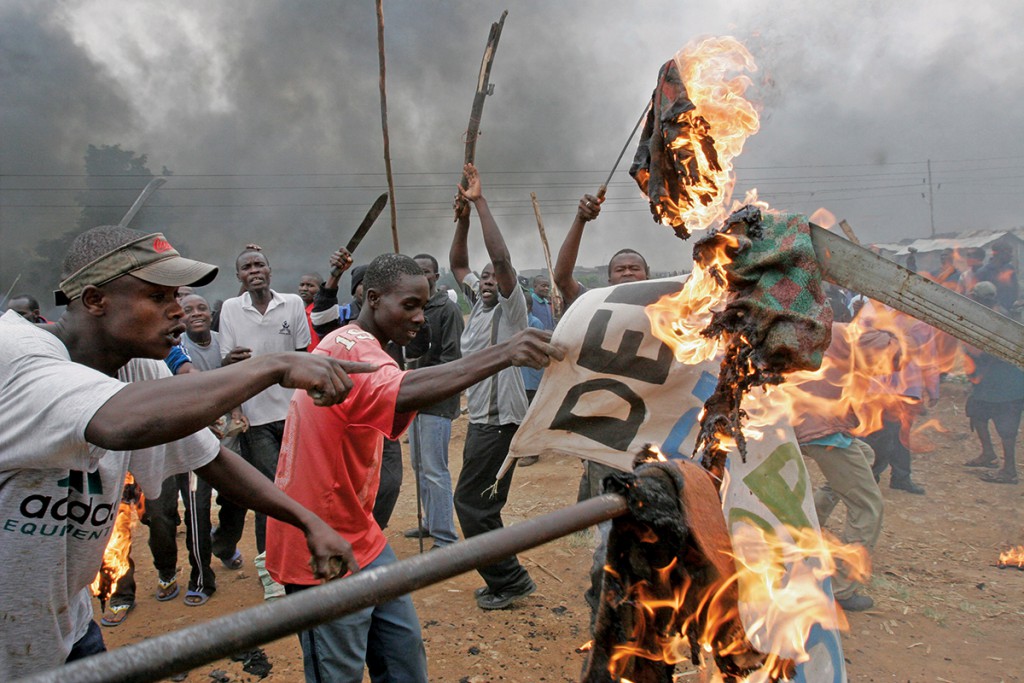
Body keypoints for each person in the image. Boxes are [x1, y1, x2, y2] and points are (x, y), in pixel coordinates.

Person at [0, 225, 368, 679]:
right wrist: (275, 364)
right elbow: (116, 421)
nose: (177, 310)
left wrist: (306, 520)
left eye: (176, 295)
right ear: (95, 300)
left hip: (66, 630)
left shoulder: (138, 367)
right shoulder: (16, 356)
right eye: (158, 298)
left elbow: (211, 458)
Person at [266, 252, 561, 683]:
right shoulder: (352, 351)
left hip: (361, 534)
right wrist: (503, 354)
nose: (420, 317)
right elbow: (403, 391)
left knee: (404, 659)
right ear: (372, 298)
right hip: (318, 544)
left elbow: (402, 390)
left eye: (424, 306)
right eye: (409, 305)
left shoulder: (372, 349)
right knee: (339, 673)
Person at [448, 163, 540, 610]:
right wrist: (461, 220)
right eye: (482, 279)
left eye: (493, 279)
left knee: (472, 505)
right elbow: (458, 263)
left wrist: (480, 203)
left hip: (501, 424)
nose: (486, 282)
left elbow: (499, 261)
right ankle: (506, 577)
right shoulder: (479, 307)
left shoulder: (510, 309)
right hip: (482, 423)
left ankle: (510, 579)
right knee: (481, 503)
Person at [215, 246, 312, 600]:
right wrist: (236, 409)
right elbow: (231, 365)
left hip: (292, 413)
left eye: (259, 264)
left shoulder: (292, 305)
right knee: (269, 493)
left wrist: (307, 407)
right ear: (239, 276)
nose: (254, 270)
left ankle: (300, 557)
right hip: (255, 419)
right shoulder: (229, 309)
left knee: (300, 486)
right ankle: (270, 569)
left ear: (270, 270)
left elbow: (302, 358)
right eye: (246, 267)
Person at [792, 323, 900, 612]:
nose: (881, 372)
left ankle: (808, 532)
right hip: (823, 432)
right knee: (868, 507)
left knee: (864, 454)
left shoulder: (836, 333)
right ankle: (842, 587)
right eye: (885, 364)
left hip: (812, 426)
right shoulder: (868, 343)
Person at [310, 252, 405, 529]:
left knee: (390, 481)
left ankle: (374, 528)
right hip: (347, 414)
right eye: (364, 283)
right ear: (358, 290)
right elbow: (319, 317)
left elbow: (418, 348)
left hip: (382, 405)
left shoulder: (393, 318)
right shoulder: (341, 317)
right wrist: (335, 275)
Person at [402, 253, 465, 548]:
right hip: (414, 399)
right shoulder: (411, 310)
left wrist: (418, 375)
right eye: (415, 271)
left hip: (437, 400)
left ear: (436, 278)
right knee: (418, 466)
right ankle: (430, 522)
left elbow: (453, 359)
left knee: (435, 469)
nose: (421, 276)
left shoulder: (446, 310)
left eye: (426, 272)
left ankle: (445, 537)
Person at [963, 281, 1024, 484]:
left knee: (1006, 427)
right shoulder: (988, 315)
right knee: (976, 412)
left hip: (1006, 384)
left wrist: (972, 353)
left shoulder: (999, 318)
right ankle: (988, 454)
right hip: (990, 383)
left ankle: (1009, 471)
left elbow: (988, 353)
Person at [552, 193, 650, 310]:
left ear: (647, 276)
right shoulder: (597, 302)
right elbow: (562, 280)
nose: (627, 273)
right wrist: (580, 219)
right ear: (610, 280)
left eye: (634, 268)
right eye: (620, 270)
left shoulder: (664, 302)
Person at [976, 241, 1019, 315]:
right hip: (992, 314)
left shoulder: (1010, 268)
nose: (1011, 255)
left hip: (1012, 311)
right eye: (1009, 252)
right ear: (999, 253)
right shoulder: (983, 272)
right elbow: (979, 297)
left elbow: (1015, 288)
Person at [298, 271, 325, 351]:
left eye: (310, 286)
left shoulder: (320, 312)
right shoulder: (302, 312)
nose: (304, 289)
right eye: (302, 285)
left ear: (320, 289)